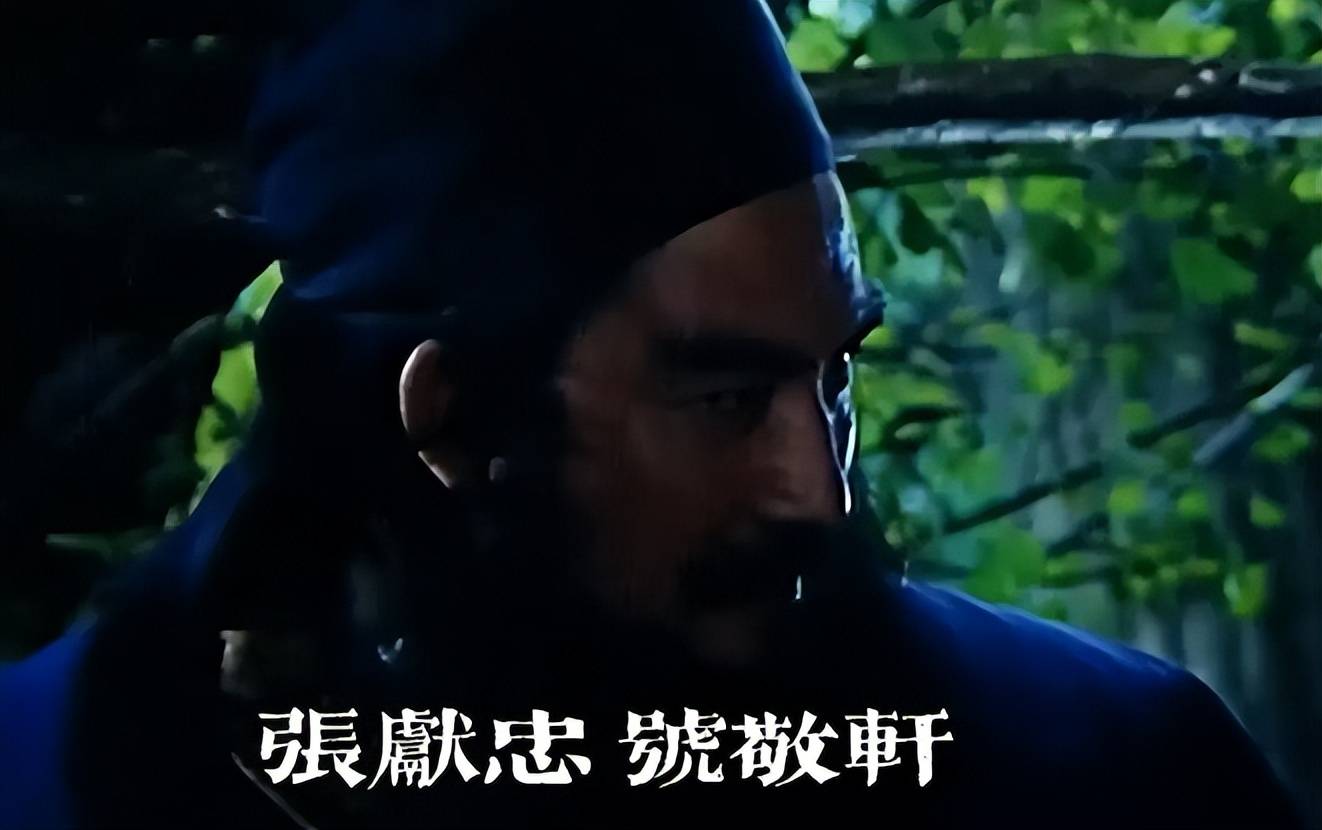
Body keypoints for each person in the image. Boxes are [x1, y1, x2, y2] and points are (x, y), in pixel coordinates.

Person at [0, 1, 1304, 827]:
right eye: (727, 399)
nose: (818, 490)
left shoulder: (1105, 772)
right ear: (454, 421)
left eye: (833, 378)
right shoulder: (49, 778)